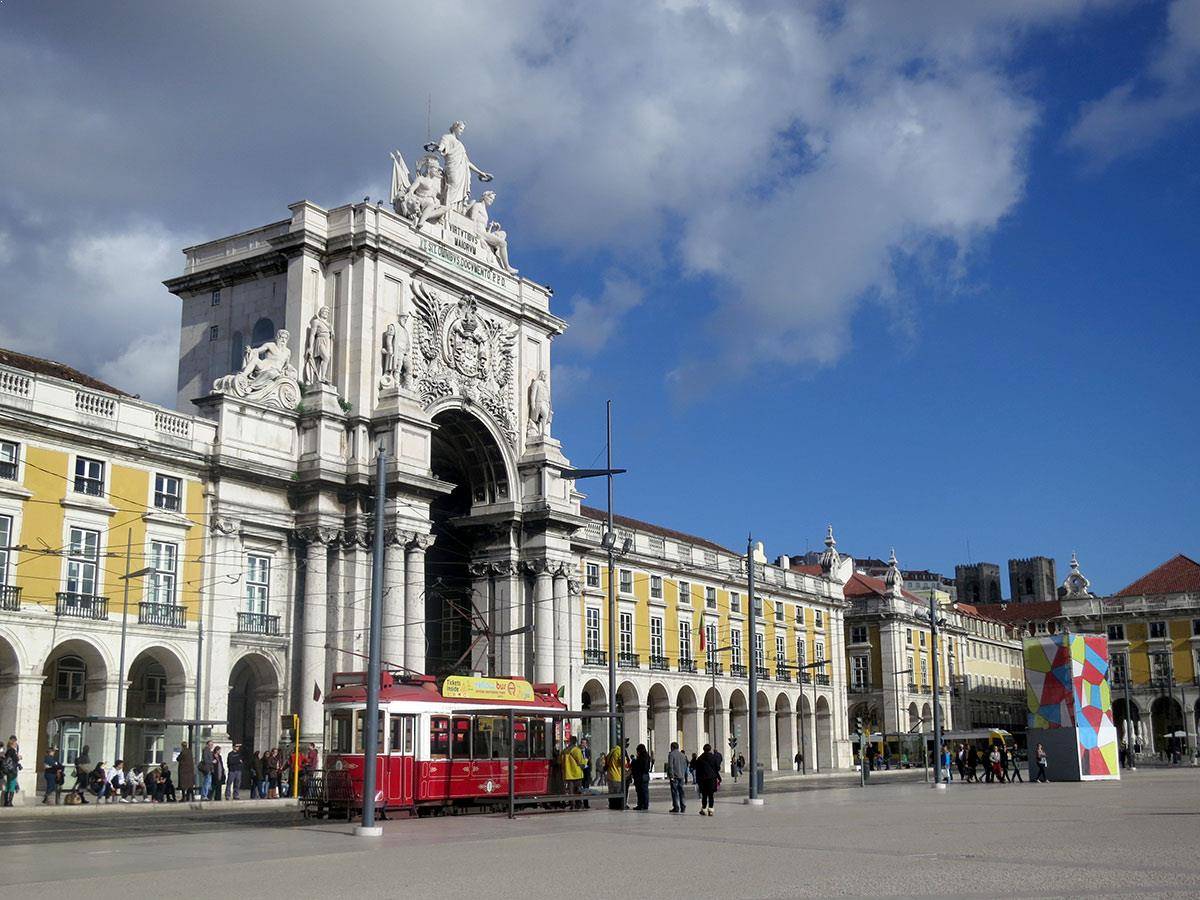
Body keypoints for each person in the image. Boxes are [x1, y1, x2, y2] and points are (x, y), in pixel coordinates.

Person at [693, 743, 721, 817]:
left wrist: (697, 780)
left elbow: (697, 769)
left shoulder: (700, 758)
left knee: (704, 795)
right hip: (712, 778)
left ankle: (704, 809)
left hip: (702, 779)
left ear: (703, 749)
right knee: (711, 795)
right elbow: (717, 768)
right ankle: (711, 809)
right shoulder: (713, 757)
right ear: (710, 749)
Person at [559, 736, 586, 809]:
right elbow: (581, 762)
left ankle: (572, 804)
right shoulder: (576, 750)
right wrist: (585, 763)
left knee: (571, 791)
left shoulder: (564, 751)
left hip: (568, 774)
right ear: (575, 742)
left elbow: (560, 761)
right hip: (577, 773)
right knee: (578, 790)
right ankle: (579, 804)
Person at [602, 742, 626, 810]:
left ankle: (611, 805)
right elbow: (623, 763)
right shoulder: (619, 751)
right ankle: (617, 806)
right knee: (617, 792)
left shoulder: (611, 751)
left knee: (611, 792)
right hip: (617, 775)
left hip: (610, 775)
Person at [666, 741, 688, 814]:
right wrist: (684, 774)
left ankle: (676, 807)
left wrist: (671, 776)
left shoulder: (671, 754)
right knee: (681, 791)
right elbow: (685, 766)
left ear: (672, 747)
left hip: (674, 776)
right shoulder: (683, 755)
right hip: (681, 776)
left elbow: (670, 766)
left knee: (675, 792)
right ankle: (683, 806)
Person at [630, 744, 652, 811]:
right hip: (646, 775)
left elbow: (638, 766)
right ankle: (645, 805)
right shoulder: (647, 756)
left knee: (640, 791)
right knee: (645, 791)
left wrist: (634, 761)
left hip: (640, 776)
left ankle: (640, 805)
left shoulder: (641, 757)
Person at [3, 734, 21, 807]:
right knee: (12, 786)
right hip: (13, 771)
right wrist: (19, 757)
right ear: (14, 743)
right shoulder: (13, 751)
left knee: (8, 785)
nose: (17, 744)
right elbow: (15, 760)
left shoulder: (8, 751)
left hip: (8, 771)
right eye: (16, 742)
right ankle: (9, 802)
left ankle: (6, 802)